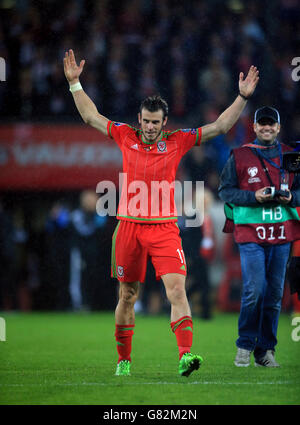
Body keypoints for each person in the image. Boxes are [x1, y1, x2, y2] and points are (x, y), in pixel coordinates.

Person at [63, 49, 259, 377]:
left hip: (165, 229)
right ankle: (123, 360)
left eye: (156, 122)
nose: (150, 127)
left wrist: (241, 97)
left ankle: (185, 355)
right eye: (146, 121)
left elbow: (221, 126)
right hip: (128, 227)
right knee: (127, 295)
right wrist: (74, 84)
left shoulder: (177, 141)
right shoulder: (125, 135)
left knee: (177, 289)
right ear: (139, 119)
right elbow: (91, 117)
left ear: (164, 122)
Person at [219, 106, 300, 367]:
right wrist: (253, 197)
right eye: (261, 124)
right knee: (255, 289)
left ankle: (265, 352)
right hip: (251, 234)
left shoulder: (293, 155)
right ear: (254, 127)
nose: (266, 128)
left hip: (282, 233)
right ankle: (244, 345)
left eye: (271, 124)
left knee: (275, 294)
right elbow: (225, 192)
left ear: (278, 127)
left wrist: (293, 198)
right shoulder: (240, 156)